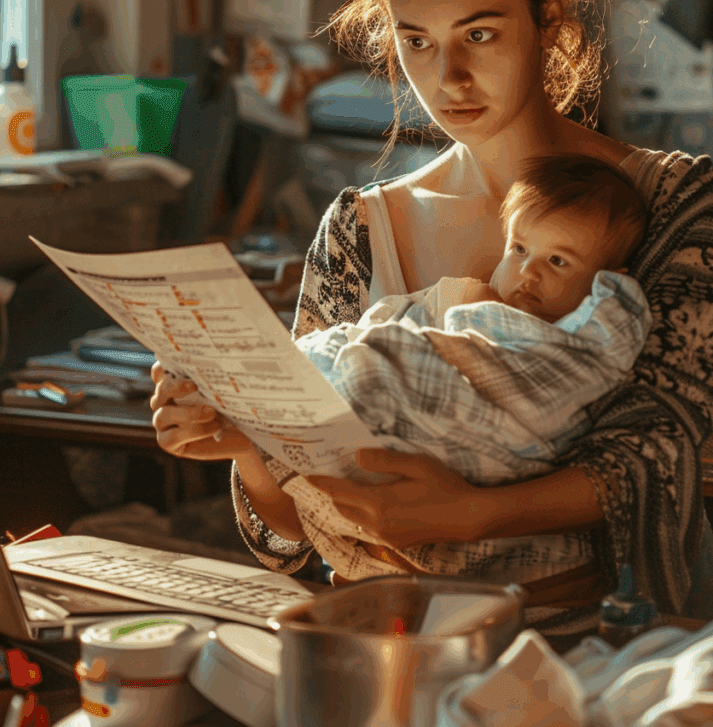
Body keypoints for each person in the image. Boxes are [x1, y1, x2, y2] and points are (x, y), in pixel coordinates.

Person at [150, 0, 713, 625]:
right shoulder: (359, 227)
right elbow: (287, 543)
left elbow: (663, 451)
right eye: (415, 40)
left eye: (479, 35)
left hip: (585, 646)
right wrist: (245, 445)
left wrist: (476, 514)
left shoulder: (660, 198)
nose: (447, 77)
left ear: (549, 20)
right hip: (383, 646)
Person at [278, 155, 654, 583]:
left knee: (366, 370)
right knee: (351, 362)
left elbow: (570, 388)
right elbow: (382, 325)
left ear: (607, 281)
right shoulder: (457, 298)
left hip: (505, 462)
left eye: (558, 262)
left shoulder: (584, 340)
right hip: (385, 511)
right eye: (520, 249)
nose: (528, 272)